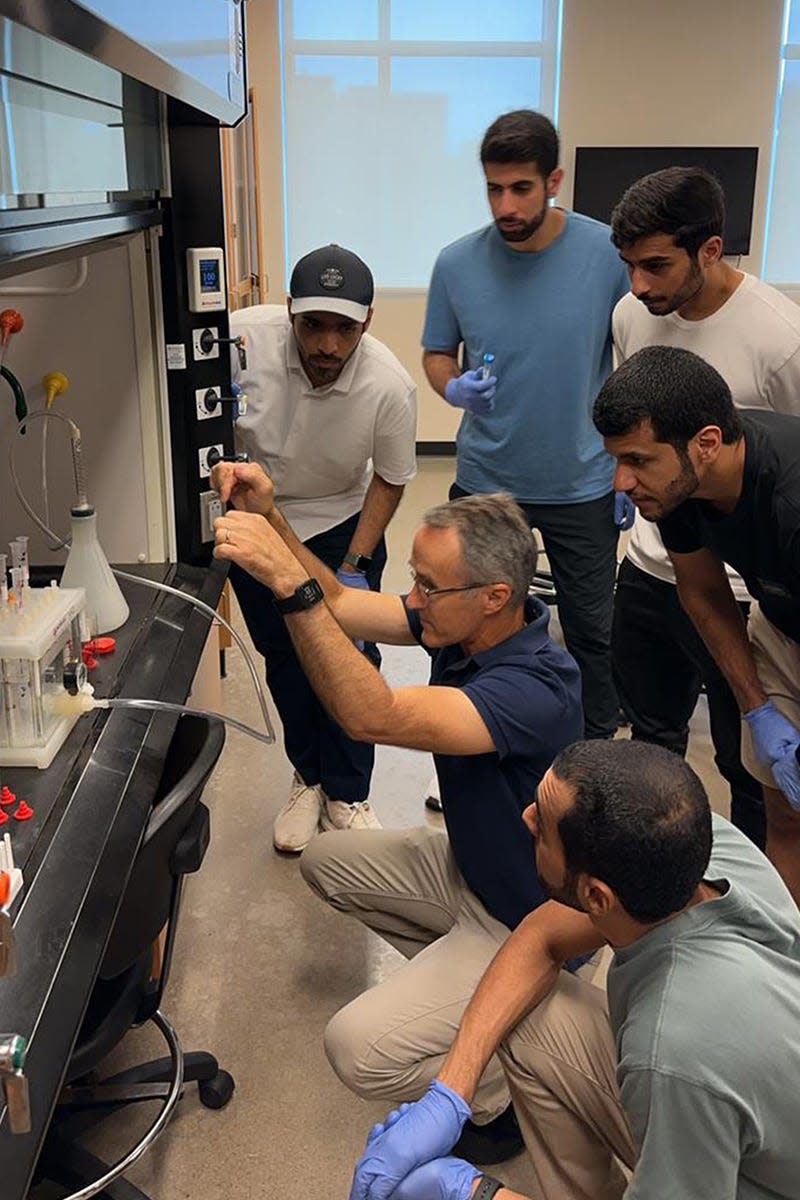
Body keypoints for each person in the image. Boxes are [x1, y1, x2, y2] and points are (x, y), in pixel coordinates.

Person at [211, 462, 583, 1161]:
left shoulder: (534, 687)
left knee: (356, 1049)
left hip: (527, 920)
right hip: (473, 872)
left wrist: (287, 588)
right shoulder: (465, 624)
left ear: (495, 596)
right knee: (325, 861)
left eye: (427, 586)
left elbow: (370, 714)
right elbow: (345, 606)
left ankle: (505, 1083)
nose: (413, 599)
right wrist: (276, 521)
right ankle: (478, 1003)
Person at [348, 739, 800, 1200]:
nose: (526, 816)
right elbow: (541, 936)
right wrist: (452, 1092)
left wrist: (472, 1193)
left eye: (542, 827)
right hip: (761, 1118)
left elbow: (680, 1062)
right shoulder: (694, 845)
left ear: (597, 898)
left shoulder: (671, 1050)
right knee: (524, 1016)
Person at [421, 109, 632, 742]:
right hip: (487, 482)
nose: (505, 204)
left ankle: (595, 763)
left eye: (521, 188)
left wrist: (628, 467)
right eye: (494, 188)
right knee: (465, 625)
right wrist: (453, 387)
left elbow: (633, 357)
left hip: (582, 482)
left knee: (592, 632)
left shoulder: (606, 255)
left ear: (554, 180)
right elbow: (436, 355)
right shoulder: (456, 263)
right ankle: (463, 745)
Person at [611, 166, 800, 850]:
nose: (639, 284)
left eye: (656, 265)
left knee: (747, 764)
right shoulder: (634, 314)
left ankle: (754, 906)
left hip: (749, 588)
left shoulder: (781, 340)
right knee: (651, 735)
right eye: (629, 265)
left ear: (711, 251)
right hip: (655, 564)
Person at [594, 344, 800, 904]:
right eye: (616, 460)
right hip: (783, 623)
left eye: (636, 460)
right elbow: (703, 591)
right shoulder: (680, 488)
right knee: (785, 811)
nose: (621, 482)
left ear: (706, 443)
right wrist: (756, 707)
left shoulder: (790, 501)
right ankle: (788, 959)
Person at [228, 244, 417, 852]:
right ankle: (307, 778)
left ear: (366, 322)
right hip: (259, 517)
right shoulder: (239, 343)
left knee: (350, 660)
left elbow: (390, 478)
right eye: (313, 325)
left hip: (341, 522)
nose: (328, 346)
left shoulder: (389, 384)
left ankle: (348, 793)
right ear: (289, 312)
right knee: (285, 656)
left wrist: (355, 568)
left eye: (344, 328)